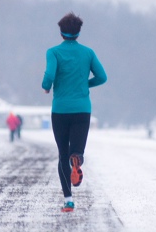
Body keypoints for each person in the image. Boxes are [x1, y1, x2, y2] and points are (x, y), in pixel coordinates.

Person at [42, 12, 107, 212]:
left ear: (61, 32)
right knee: (75, 151)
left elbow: (49, 75)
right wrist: (84, 84)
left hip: (60, 110)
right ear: (78, 32)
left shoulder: (53, 52)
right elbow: (102, 77)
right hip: (82, 110)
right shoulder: (88, 53)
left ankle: (69, 200)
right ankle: (77, 158)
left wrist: (46, 85)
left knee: (62, 154)